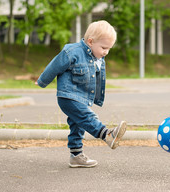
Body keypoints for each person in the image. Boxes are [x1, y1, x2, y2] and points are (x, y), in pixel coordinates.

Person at [36, 20, 127, 168]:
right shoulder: (72, 51)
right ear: (90, 41)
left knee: (78, 125)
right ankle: (107, 135)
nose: (106, 52)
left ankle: (76, 156)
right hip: (68, 96)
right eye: (104, 47)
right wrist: (42, 81)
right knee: (87, 117)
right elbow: (54, 66)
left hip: (82, 97)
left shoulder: (98, 58)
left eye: (109, 49)